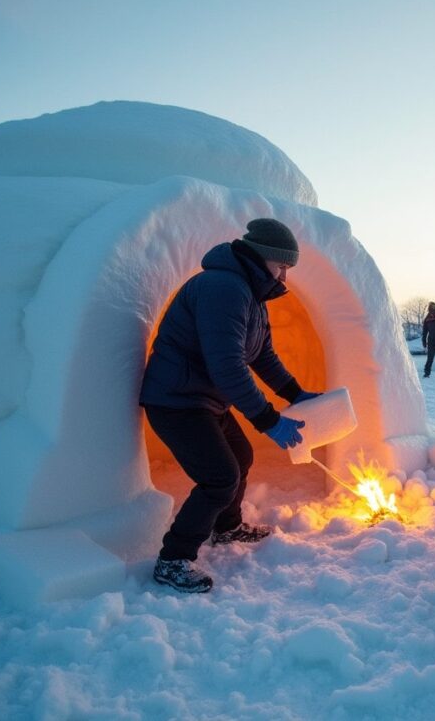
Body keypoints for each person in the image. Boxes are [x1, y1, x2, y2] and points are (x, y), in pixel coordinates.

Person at [140, 218, 321, 593]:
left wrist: (294, 393)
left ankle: (226, 527)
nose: (284, 277)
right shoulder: (223, 288)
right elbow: (227, 365)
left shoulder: (251, 295)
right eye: (282, 267)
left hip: (204, 400)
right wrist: (267, 419)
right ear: (263, 258)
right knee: (220, 477)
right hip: (176, 400)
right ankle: (172, 559)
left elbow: (261, 355)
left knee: (240, 455)